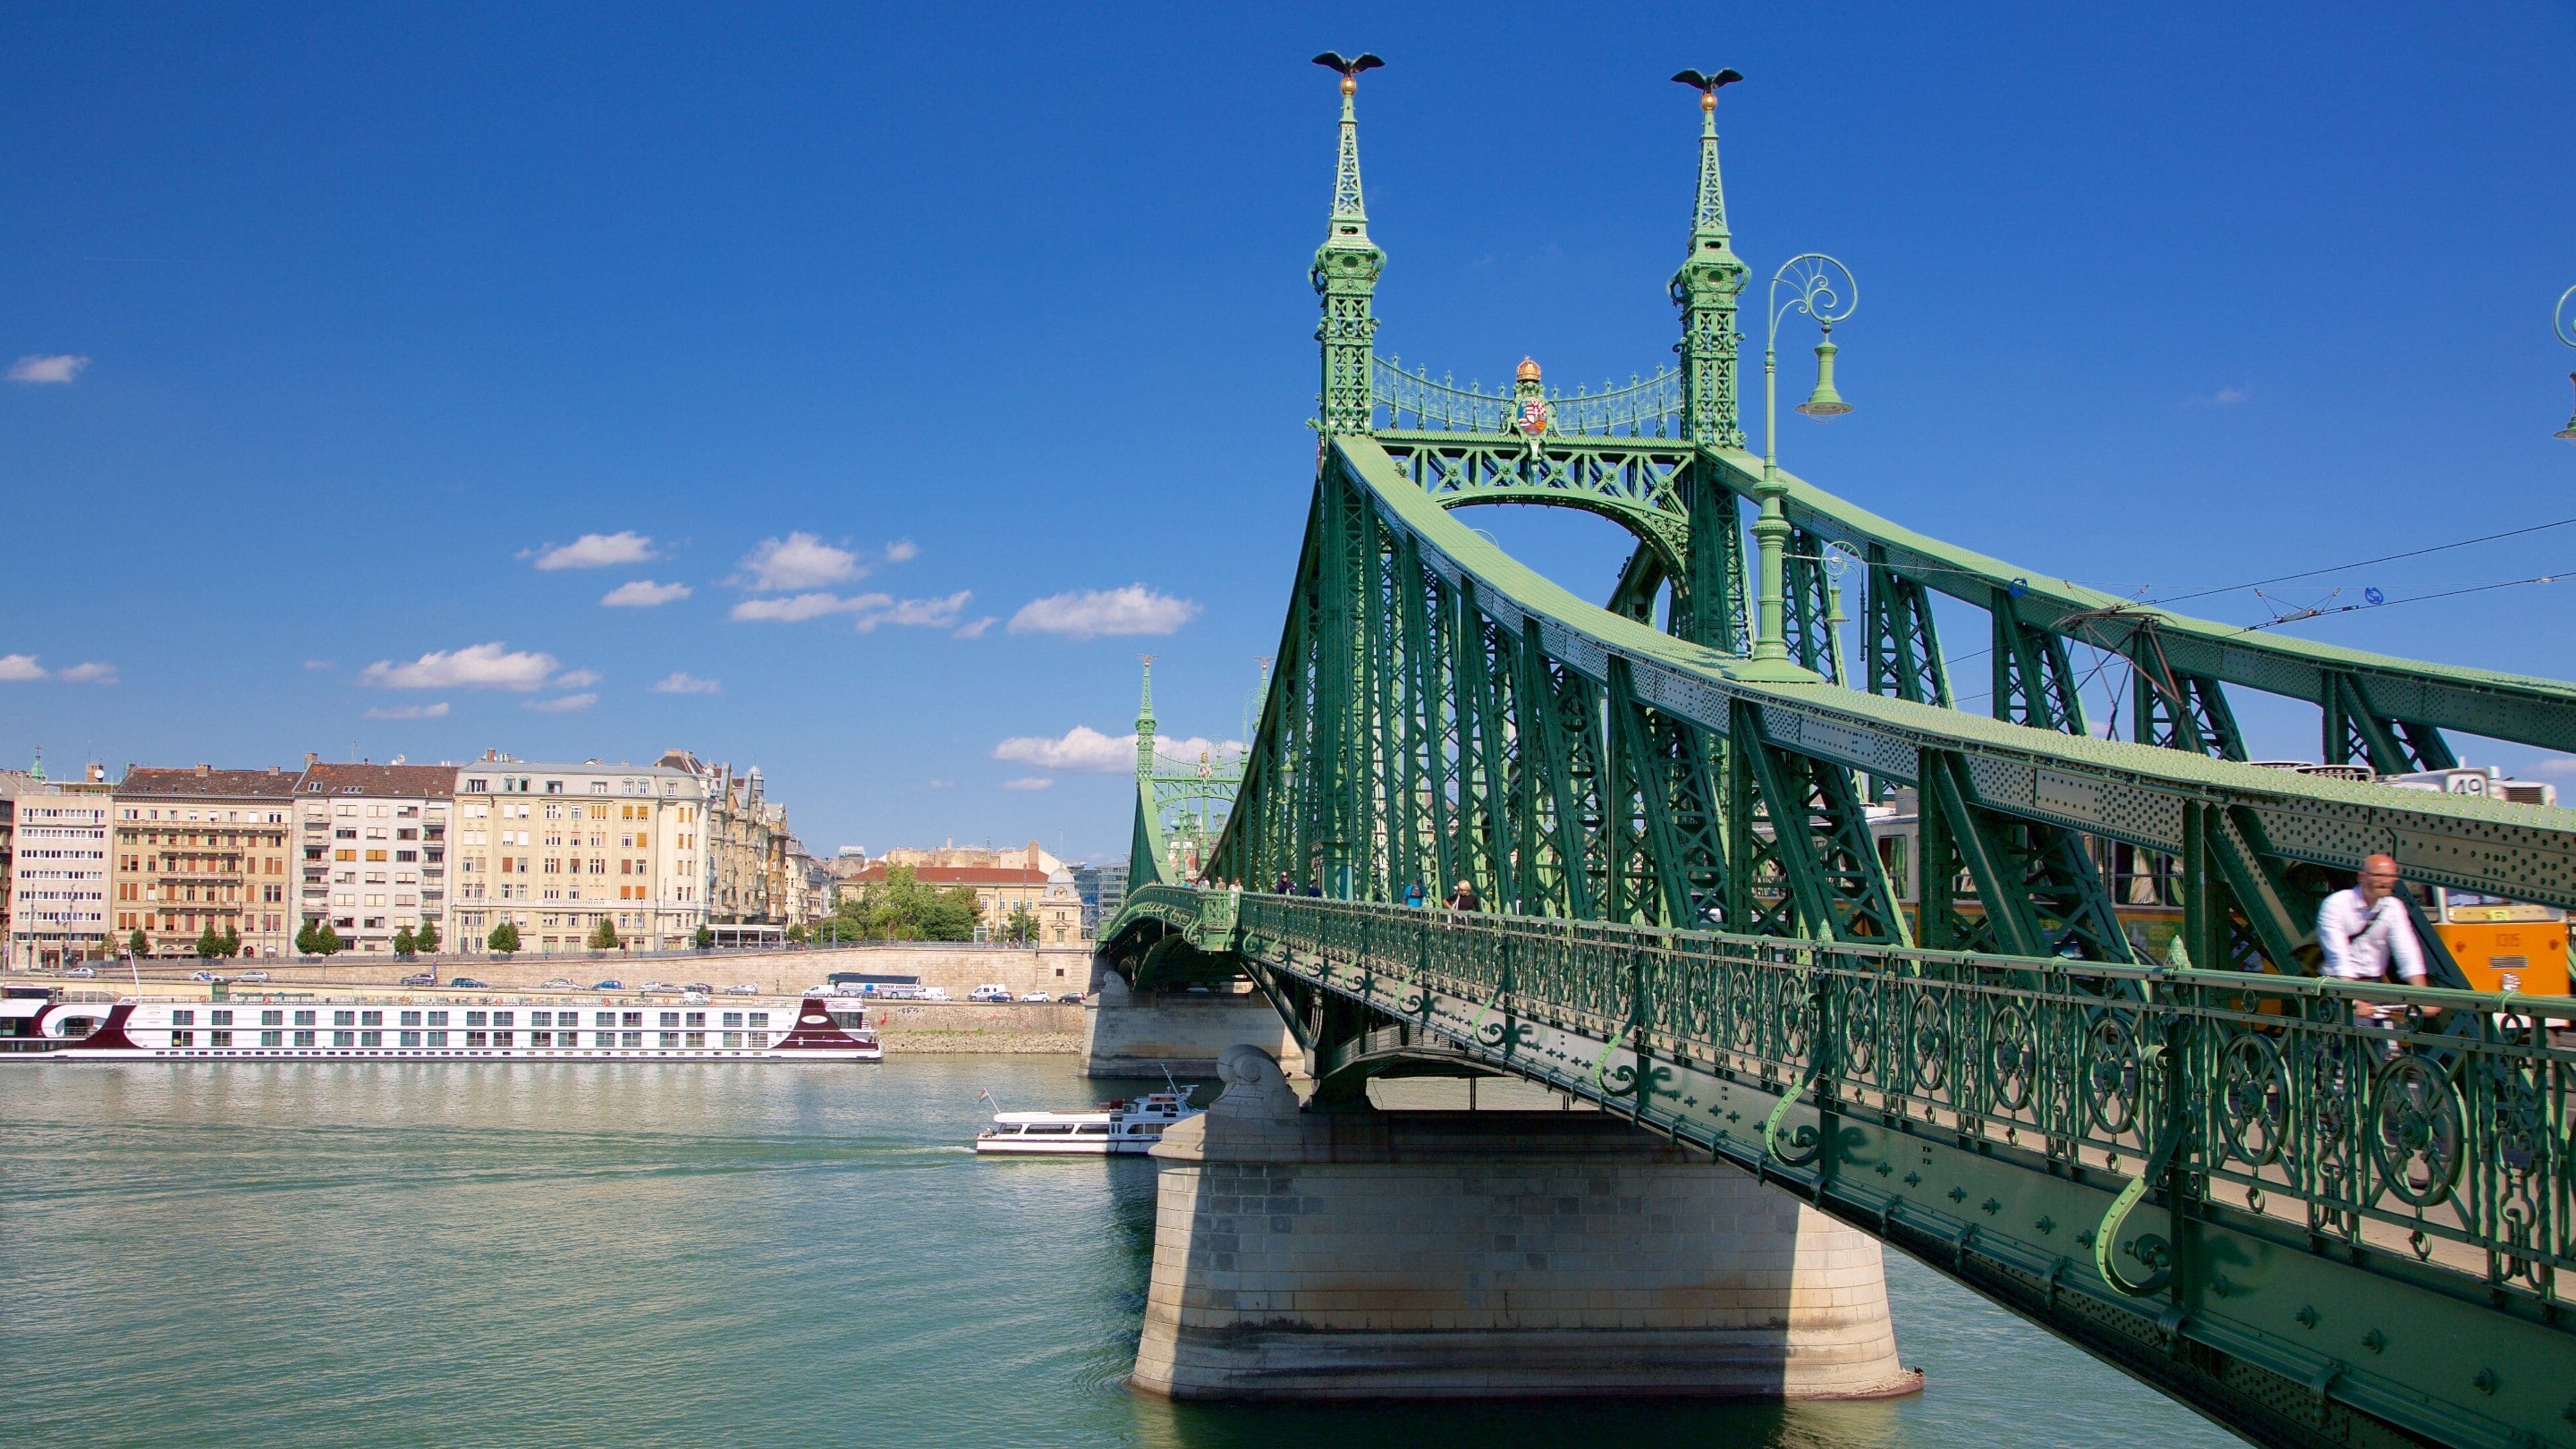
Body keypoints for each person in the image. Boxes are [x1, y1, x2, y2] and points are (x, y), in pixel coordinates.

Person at [2316, 853, 2427, 1024]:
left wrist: (2423, 996)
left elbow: (2407, 952)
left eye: (2391, 876)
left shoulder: (2393, 907)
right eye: (2379, 875)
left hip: (2373, 986)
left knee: (2383, 1037)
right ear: (2362, 877)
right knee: (2348, 1035)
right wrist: (2353, 1001)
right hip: (2338, 986)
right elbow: (2339, 958)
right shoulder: (2336, 904)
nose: (2386, 881)